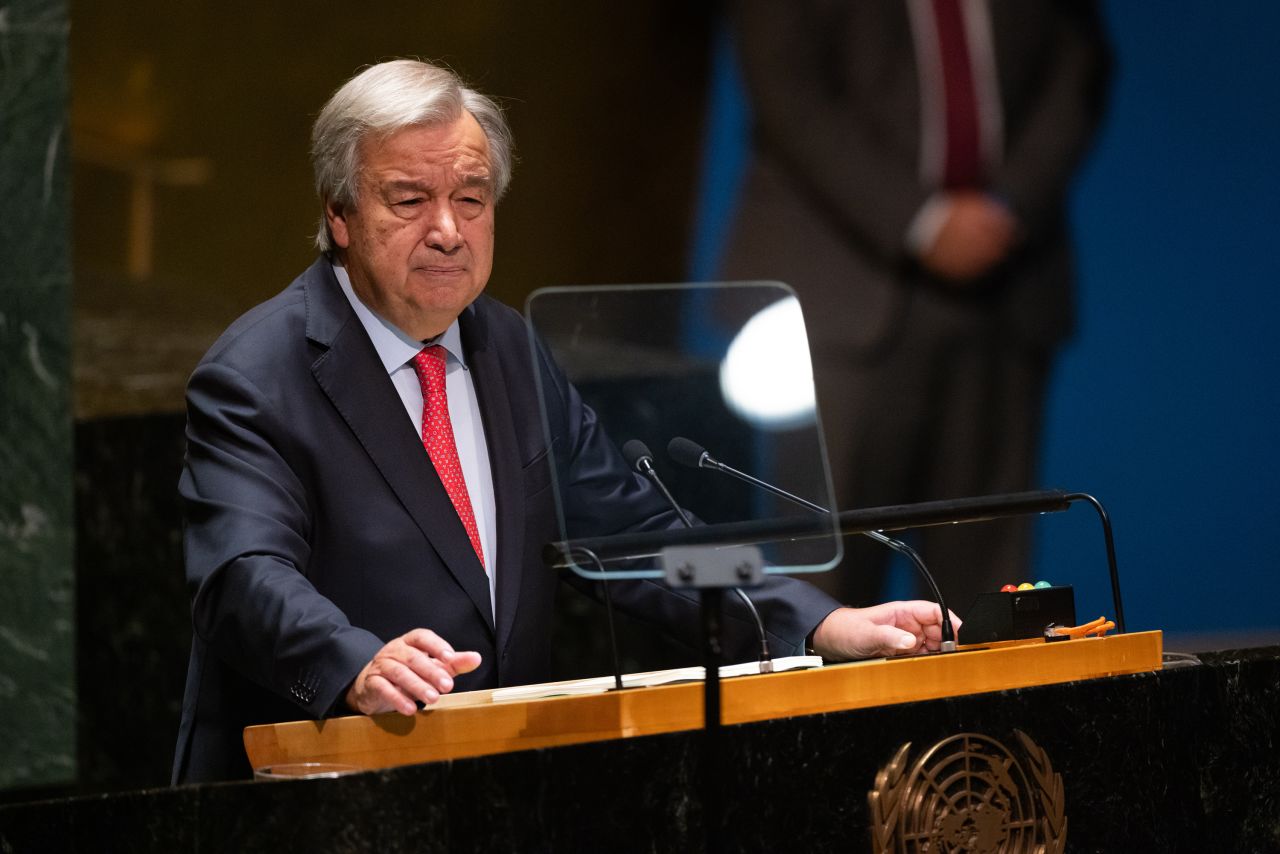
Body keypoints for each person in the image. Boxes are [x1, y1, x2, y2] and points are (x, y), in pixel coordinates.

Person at [172, 59, 955, 784]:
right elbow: (243, 575)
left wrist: (820, 625)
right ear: (339, 215)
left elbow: (635, 536)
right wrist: (354, 663)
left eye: (471, 199)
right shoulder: (257, 374)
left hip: (496, 788)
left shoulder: (507, 345)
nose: (448, 228)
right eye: (410, 199)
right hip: (315, 790)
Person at [720, 1, 1111, 612]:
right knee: (829, 593)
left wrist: (1006, 207)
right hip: (839, 285)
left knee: (992, 588)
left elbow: (1079, 65)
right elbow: (788, 87)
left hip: (1008, 284)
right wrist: (922, 222)